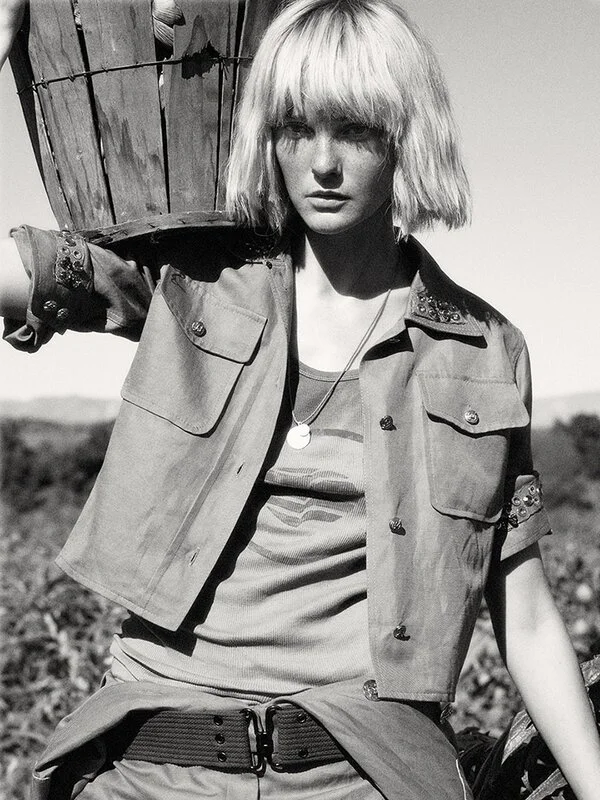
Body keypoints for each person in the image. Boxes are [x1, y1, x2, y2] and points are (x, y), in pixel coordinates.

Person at [1, 0, 600, 798]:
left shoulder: (484, 350)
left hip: (363, 771)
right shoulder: (192, 282)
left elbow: (523, 614)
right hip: (150, 763)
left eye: (354, 129)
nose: (322, 163)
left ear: (407, 135)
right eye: (294, 127)